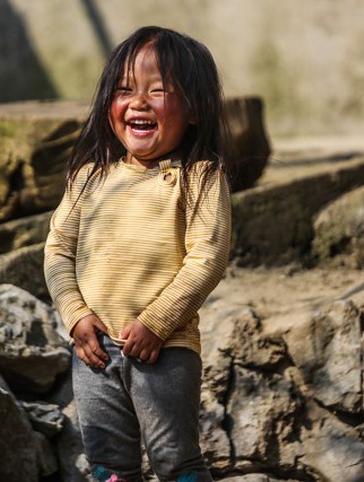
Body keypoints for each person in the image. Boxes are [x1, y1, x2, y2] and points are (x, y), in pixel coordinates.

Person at [44, 26, 232, 482]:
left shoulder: (200, 177)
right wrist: (74, 315)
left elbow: (207, 258)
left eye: (159, 91)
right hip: (94, 351)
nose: (139, 102)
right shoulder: (89, 177)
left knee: (175, 460)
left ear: (193, 111)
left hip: (164, 351)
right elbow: (57, 249)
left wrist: (156, 323)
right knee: (109, 463)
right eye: (125, 89)